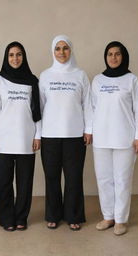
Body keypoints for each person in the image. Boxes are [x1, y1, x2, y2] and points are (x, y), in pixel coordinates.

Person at [92, 41, 138, 235]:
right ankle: (108, 216)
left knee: (122, 179)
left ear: (123, 56)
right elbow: (92, 109)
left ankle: (121, 219)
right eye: (110, 54)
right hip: (101, 138)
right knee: (104, 179)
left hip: (125, 138)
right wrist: (89, 131)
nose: (113, 58)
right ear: (105, 57)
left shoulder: (131, 79)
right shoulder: (98, 80)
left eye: (117, 54)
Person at [39, 35, 92, 231]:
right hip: (50, 135)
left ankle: (73, 216)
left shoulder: (80, 75)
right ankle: (53, 215)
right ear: (53, 51)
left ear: (71, 50)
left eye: (65, 48)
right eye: (58, 49)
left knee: (73, 177)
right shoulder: (45, 76)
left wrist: (89, 130)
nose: (61, 52)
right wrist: (38, 134)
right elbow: (41, 108)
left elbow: (88, 104)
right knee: (51, 177)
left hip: (75, 136)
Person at [0, 41, 41, 231]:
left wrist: (38, 136)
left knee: (25, 182)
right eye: (11, 55)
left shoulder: (32, 80)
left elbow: (38, 110)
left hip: (26, 137)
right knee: (4, 182)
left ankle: (21, 218)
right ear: (6, 57)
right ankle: (6, 218)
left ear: (23, 57)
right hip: (3, 139)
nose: (15, 58)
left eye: (19, 54)